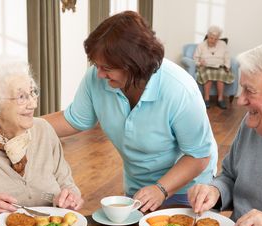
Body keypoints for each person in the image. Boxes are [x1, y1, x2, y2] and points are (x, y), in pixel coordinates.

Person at [44, 10, 217, 213]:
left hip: (188, 188)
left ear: (134, 65)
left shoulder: (179, 89)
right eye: (96, 65)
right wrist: (22, 125)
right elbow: (72, 119)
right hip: (139, 187)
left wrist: (162, 189)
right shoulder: (97, 78)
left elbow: (198, 156)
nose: (98, 74)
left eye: (107, 67)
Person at [188, 40, 262, 226]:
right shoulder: (251, 124)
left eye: (249, 90)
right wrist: (215, 191)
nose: (240, 101)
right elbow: (230, 176)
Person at [0, 57, 84, 222]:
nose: (32, 104)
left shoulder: (43, 130)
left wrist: (70, 198)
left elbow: (66, 183)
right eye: (22, 97)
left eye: (32, 93)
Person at [193, 25, 234, 109]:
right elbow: (195, 58)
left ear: (218, 38)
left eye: (216, 39)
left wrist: (227, 66)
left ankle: (220, 99)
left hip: (219, 66)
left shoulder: (222, 44)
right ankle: (207, 99)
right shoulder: (201, 45)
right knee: (208, 74)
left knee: (221, 74)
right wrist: (199, 62)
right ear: (208, 36)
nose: (213, 40)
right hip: (205, 66)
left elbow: (227, 56)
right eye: (211, 38)